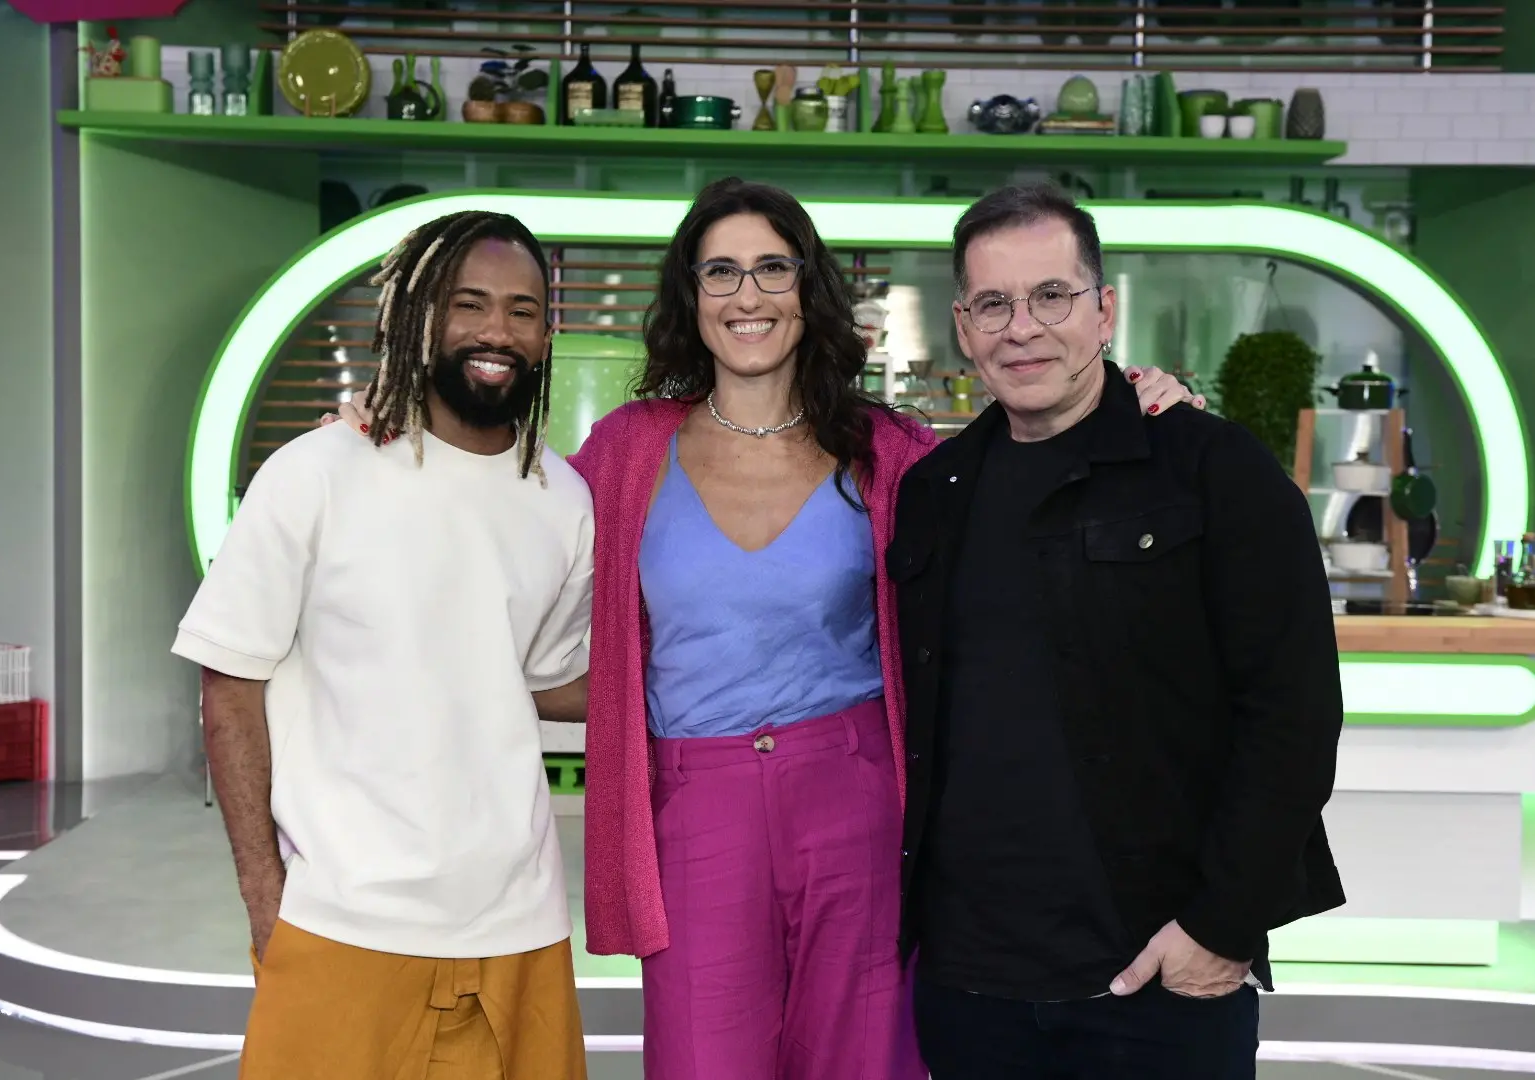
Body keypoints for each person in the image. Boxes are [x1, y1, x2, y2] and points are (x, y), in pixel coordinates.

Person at [336, 178, 1202, 1079]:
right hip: (694, 808)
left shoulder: (891, 451)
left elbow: (1033, 493)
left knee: (861, 1061)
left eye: (771, 269)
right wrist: (386, 440)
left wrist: (1131, 400)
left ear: (806, 288)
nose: (746, 295)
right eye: (720, 272)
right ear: (690, 295)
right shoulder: (625, 452)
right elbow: (497, 511)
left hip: (859, 801)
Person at [887, 181, 1346, 1080]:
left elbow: (1292, 717)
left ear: (1104, 311)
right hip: (968, 986)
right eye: (993, 304)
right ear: (963, 328)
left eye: (1050, 296)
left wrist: (1220, 927)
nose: (1021, 328)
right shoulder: (933, 491)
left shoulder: (1212, 468)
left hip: (1156, 984)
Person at [174, 211, 593, 1080]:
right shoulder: (316, 472)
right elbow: (230, 685)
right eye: (468, 304)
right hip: (343, 921)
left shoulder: (563, 497)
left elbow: (546, 679)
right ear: (418, 317)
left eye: (522, 310)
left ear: (546, 336)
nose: (497, 331)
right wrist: (264, 893)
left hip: (521, 924)